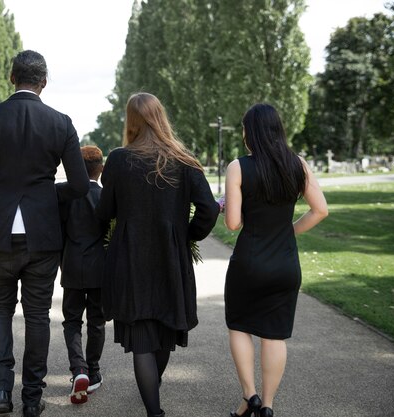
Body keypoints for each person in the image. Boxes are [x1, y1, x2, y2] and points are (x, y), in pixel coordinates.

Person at [0, 50, 89, 417]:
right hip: (42, 233)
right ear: (43, 83)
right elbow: (81, 185)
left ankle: (2, 388)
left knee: (0, 308)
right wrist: (45, 196)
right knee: (37, 316)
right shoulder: (60, 122)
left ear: (11, 78)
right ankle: (32, 399)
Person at [95, 92, 219, 417]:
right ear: (161, 117)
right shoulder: (184, 160)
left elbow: (105, 210)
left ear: (131, 121)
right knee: (163, 332)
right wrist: (186, 236)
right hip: (170, 258)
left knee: (141, 338)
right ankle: (154, 400)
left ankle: (154, 411)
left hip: (131, 259)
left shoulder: (120, 160)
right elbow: (208, 209)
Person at [223, 103, 328, 417]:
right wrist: (289, 231)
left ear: (250, 132)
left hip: (249, 262)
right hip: (285, 264)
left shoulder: (238, 167)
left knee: (240, 327)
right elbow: (321, 210)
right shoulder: (298, 165)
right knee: (274, 334)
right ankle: (267, 406)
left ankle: (249, 396)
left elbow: (232, 223)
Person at [57, 145, 107, 405]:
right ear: (100, 168)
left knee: (72, 321)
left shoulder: (66, 197)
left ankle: (79, 370)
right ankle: (94, 370)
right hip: (99, 267)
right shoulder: (105, 197)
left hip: (73, 265)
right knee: (97, 321)